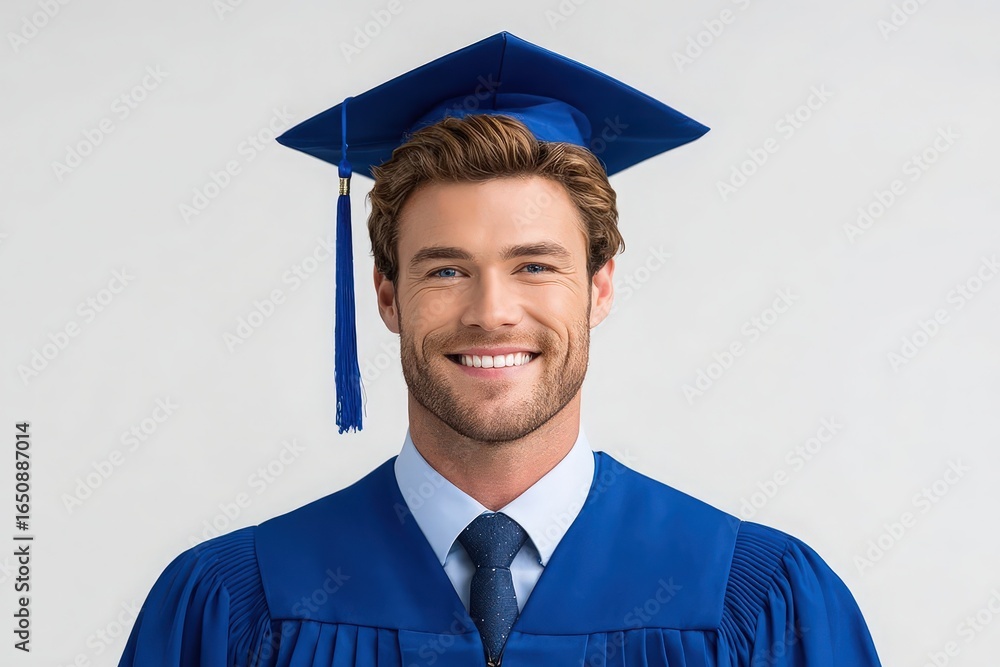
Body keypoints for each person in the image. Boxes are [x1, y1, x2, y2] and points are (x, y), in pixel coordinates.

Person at [119, 32, 882, 666]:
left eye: (535, 265)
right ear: (386, 293)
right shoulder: (232, 609)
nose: (492, 313)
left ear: (600, 286)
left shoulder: (762, 606)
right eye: (446, 269)